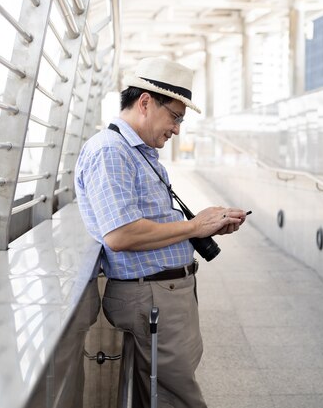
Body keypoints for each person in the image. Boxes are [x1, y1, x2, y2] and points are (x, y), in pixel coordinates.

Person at [75, 57, 247, 408]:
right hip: (152, 296)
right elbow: (120, 234)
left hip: (161, 293)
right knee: (176, 397)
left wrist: (202, 225)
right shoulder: (110, 152)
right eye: (176, 116)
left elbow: (148, 223)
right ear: (145, 103)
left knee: (158, 392)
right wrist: (195, 226)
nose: (177, 128)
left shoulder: (137, 152)